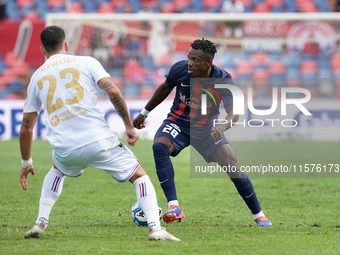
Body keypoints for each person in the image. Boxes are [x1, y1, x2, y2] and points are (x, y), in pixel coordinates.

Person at [19, 25, 180, 241]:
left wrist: (26, 162)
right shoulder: (86, 62)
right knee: (139, 176)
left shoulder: (36, 78)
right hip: (99, 141)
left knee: (56, 171)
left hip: (65, 148)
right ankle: (155, 228)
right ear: (66, 45)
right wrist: (128, 126)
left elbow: (26, 127)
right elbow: (112, 90)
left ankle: (40, 222)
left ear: (42, 50)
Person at [133, 38, 272, 227]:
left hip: (206, 129)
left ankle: (259, 215)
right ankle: (174, 206)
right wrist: (144, 113)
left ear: (208, 63)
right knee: (159, 146)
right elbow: (164, 89)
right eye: (189, 57)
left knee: (233, 169)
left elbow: (234, 112)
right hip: (178, 123)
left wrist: (223, 126)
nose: (190, 62)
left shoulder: (223, 80)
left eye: (195, 60)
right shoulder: (180, 69)